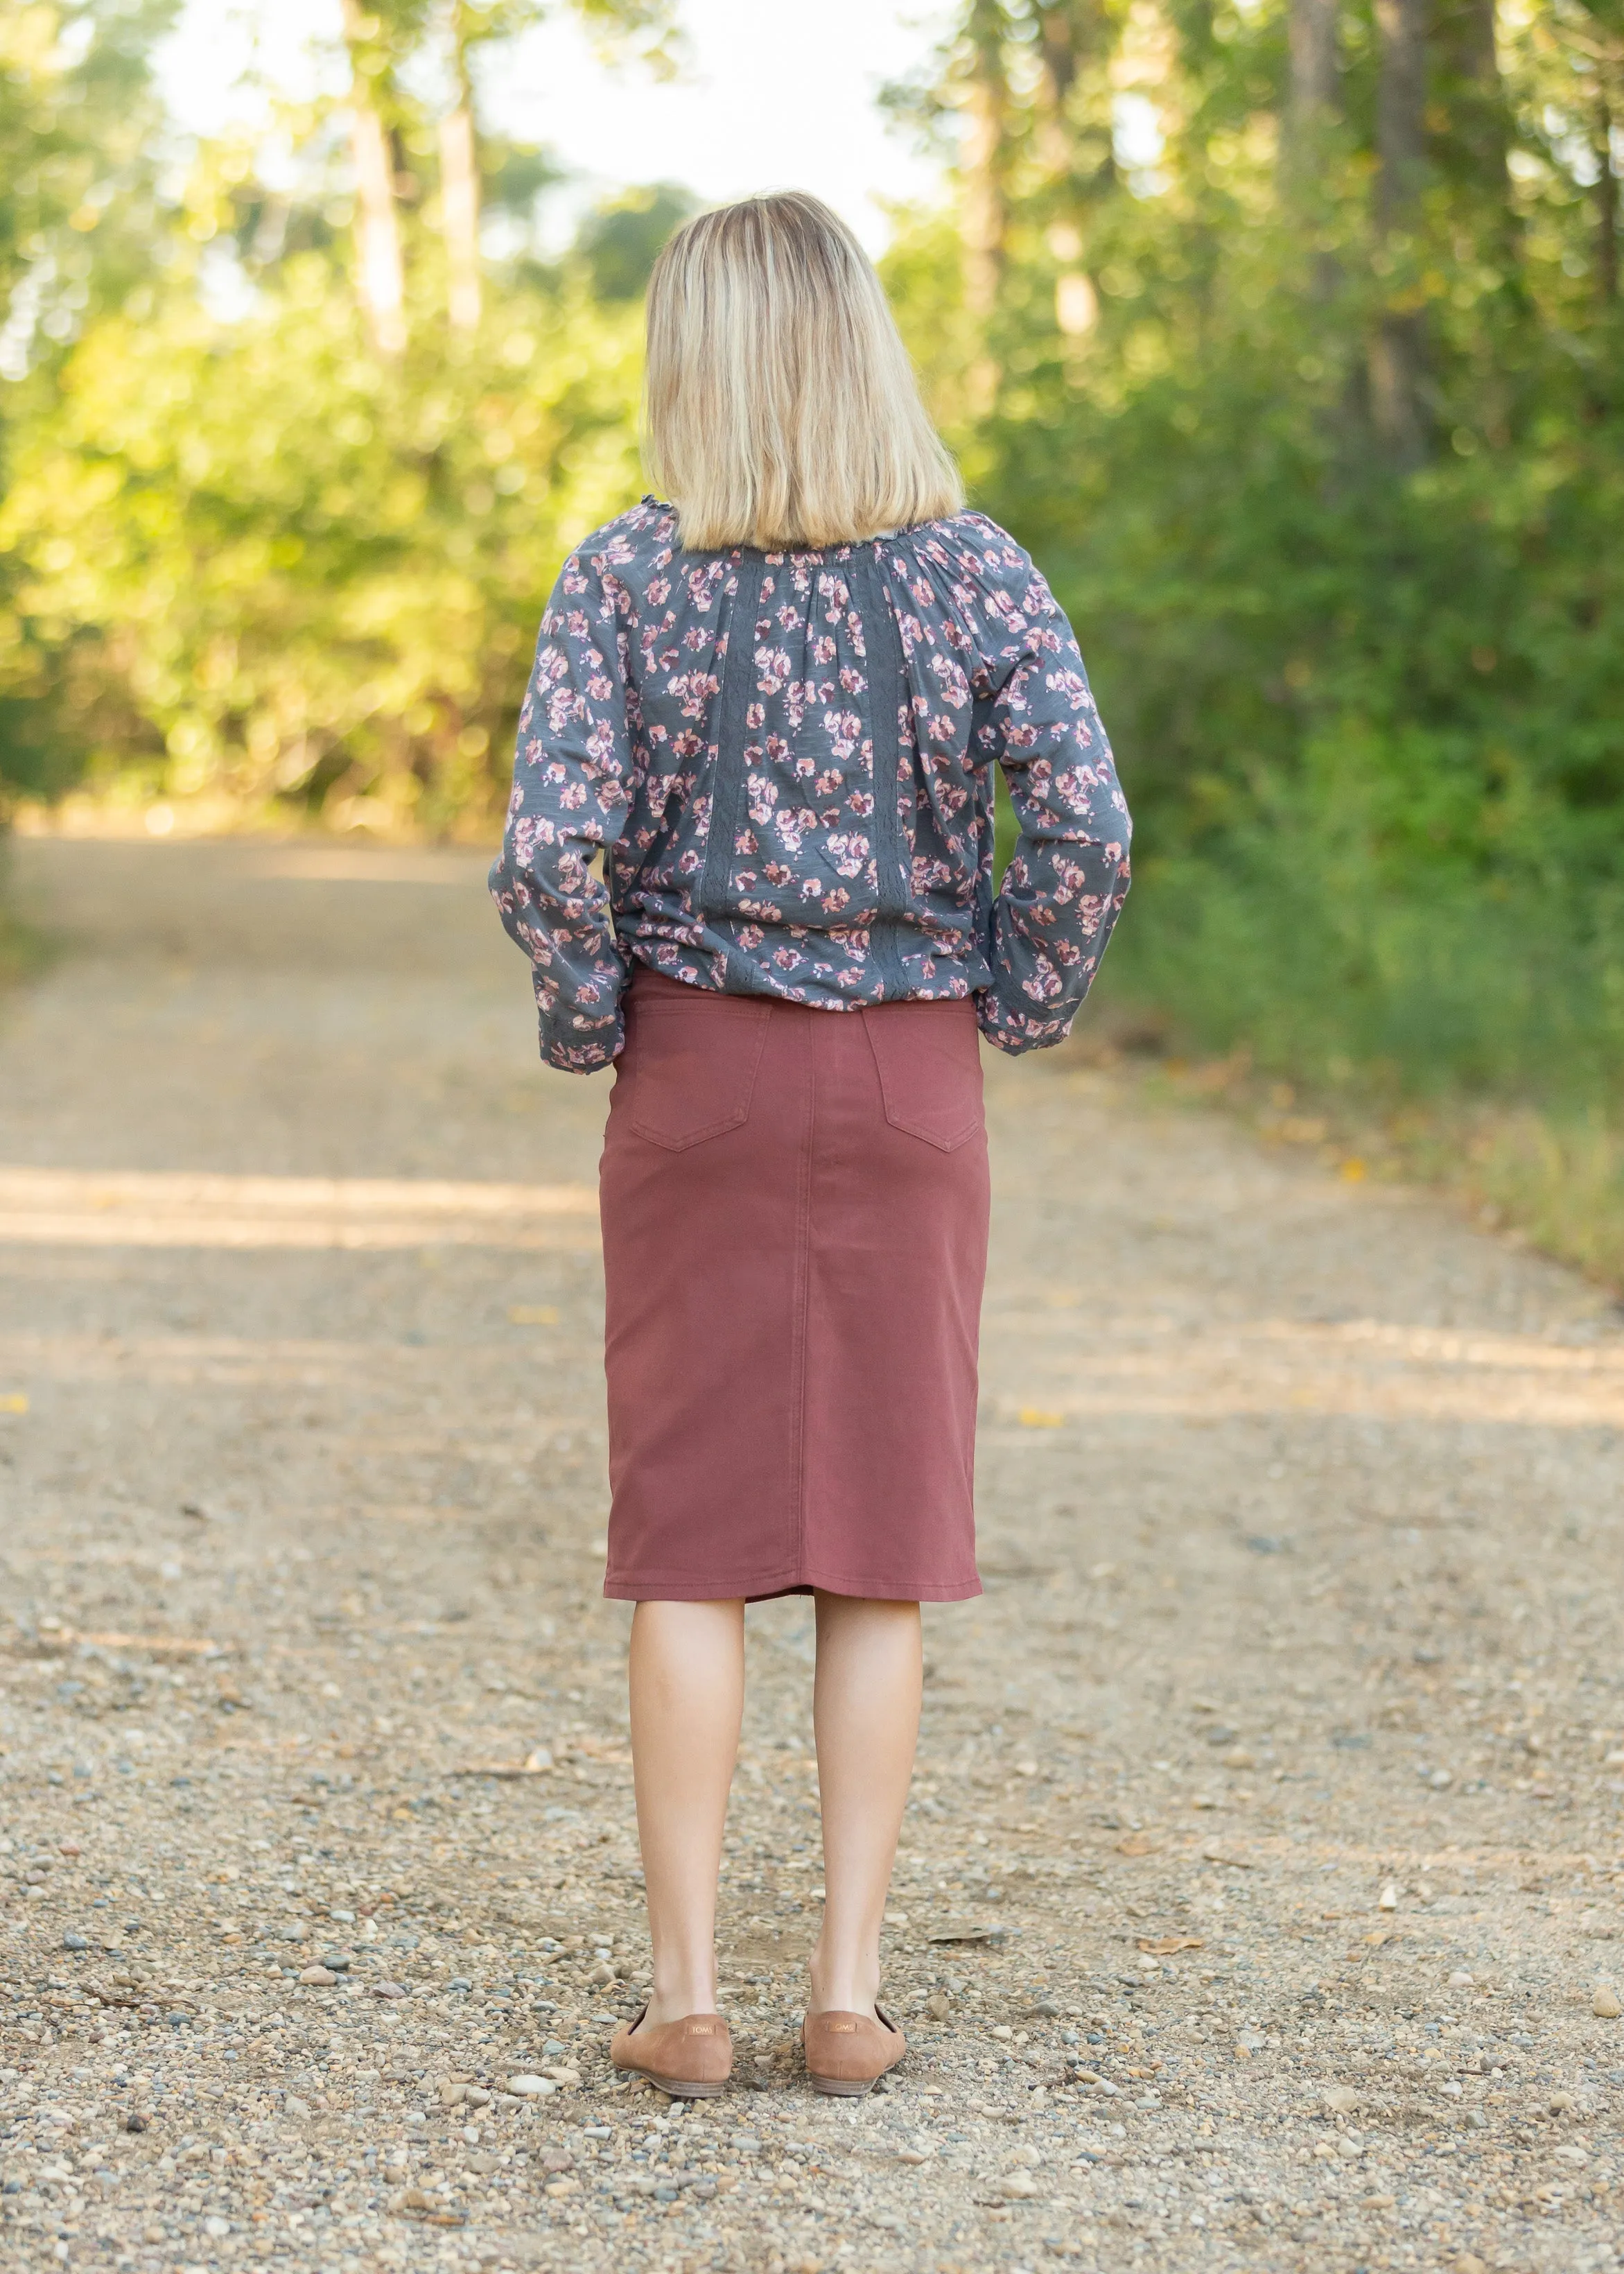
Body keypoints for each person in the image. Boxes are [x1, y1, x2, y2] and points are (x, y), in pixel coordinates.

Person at [490, 190, 1130, 2099]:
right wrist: (1007, 1000)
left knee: (684, 1547)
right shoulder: (974, 574)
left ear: (691, 357)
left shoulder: (627, 575)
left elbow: (549, 851)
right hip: (910, 1076)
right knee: (880, 1545)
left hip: (697, 1075)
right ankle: (844, 1994)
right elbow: (1084, 826)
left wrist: (595, 1019)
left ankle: (686, 1998)